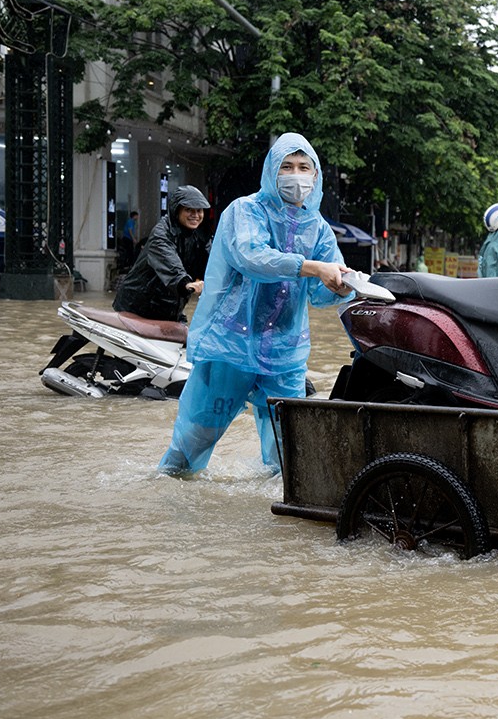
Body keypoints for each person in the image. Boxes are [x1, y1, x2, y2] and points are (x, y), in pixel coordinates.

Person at [158, 133, 353, 476]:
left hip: (284, 353)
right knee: (197, 436)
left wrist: (339, 286)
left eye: (304, 167)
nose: (296, 175)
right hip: (231, 344)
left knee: (287, 452)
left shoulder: (319, 228)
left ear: (316, 175)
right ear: (271, 172)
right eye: (287, 167)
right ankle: (165, 486)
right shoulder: (245, 210)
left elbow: (318, 295)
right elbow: (252, 258)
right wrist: (311, 267)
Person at [112, 186, 211, 322]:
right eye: (189, 210)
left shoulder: (198, 236)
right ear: (177, 210)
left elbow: (213, 259)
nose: (195, 215)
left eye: (199, 210)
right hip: (139, 307)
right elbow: (169, 261)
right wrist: (185, 283)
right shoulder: (161, 234)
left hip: (168, 308)